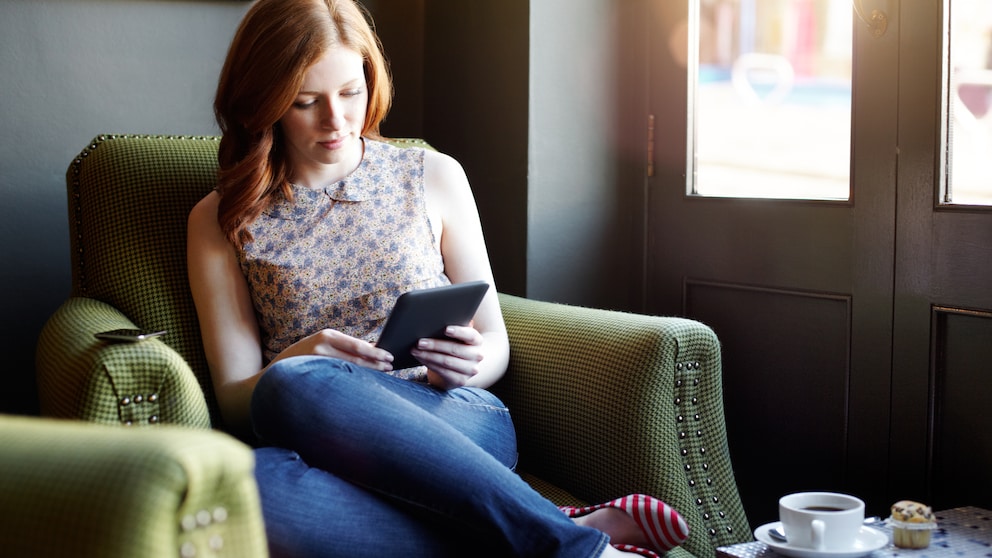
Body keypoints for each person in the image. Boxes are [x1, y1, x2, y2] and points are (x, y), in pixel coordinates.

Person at [187, 0, 689, 556]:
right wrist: (300, 358)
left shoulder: (433, 174)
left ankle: (574, 550)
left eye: (351, 93)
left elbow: (495, 341)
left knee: (292, 392)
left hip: (452, 422)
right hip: (316, 439)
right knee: (252, 476)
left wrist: (471, 364)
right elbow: (237, 400)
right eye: (306, 102)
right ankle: (554, 529)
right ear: (266, 102)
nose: (336, 121)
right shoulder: (221, 218)